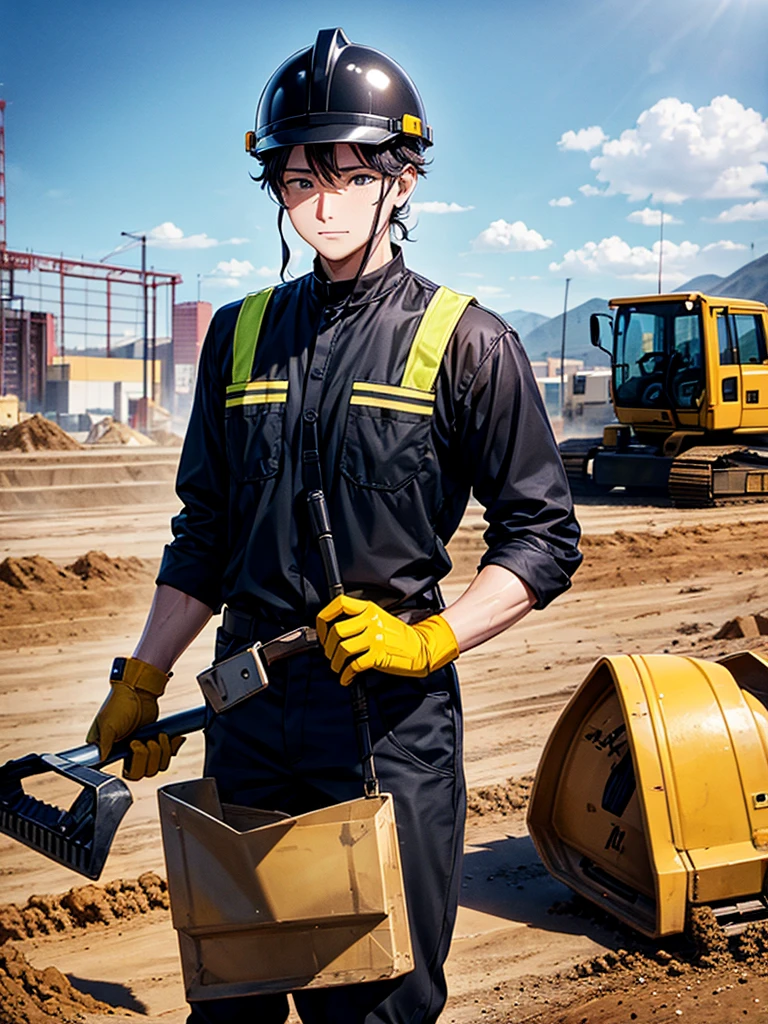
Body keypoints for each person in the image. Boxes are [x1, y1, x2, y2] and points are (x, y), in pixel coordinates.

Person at [86, 27, 582, 1024]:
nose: (322, 197)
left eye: (351, 172)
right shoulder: (237, 336)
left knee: (374, 1003)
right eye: (300, 175)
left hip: (387, 727)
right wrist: (141, 677)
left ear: (403, 178)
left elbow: (541, 534)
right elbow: (206, 530)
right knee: (234, 992)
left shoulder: (468, 342)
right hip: (249, 713)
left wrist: (431, 636)